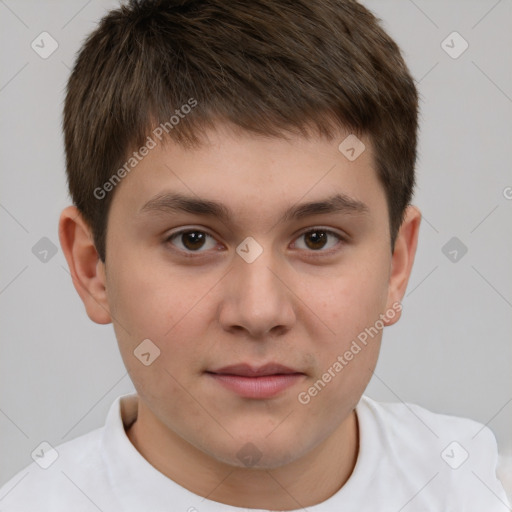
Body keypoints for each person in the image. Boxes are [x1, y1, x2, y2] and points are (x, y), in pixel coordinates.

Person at [0, 0, 509, 510]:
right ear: (93, 268)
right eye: (192, 239)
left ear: (396, 267)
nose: (259, 311)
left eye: (317, 239)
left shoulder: (482, 490)